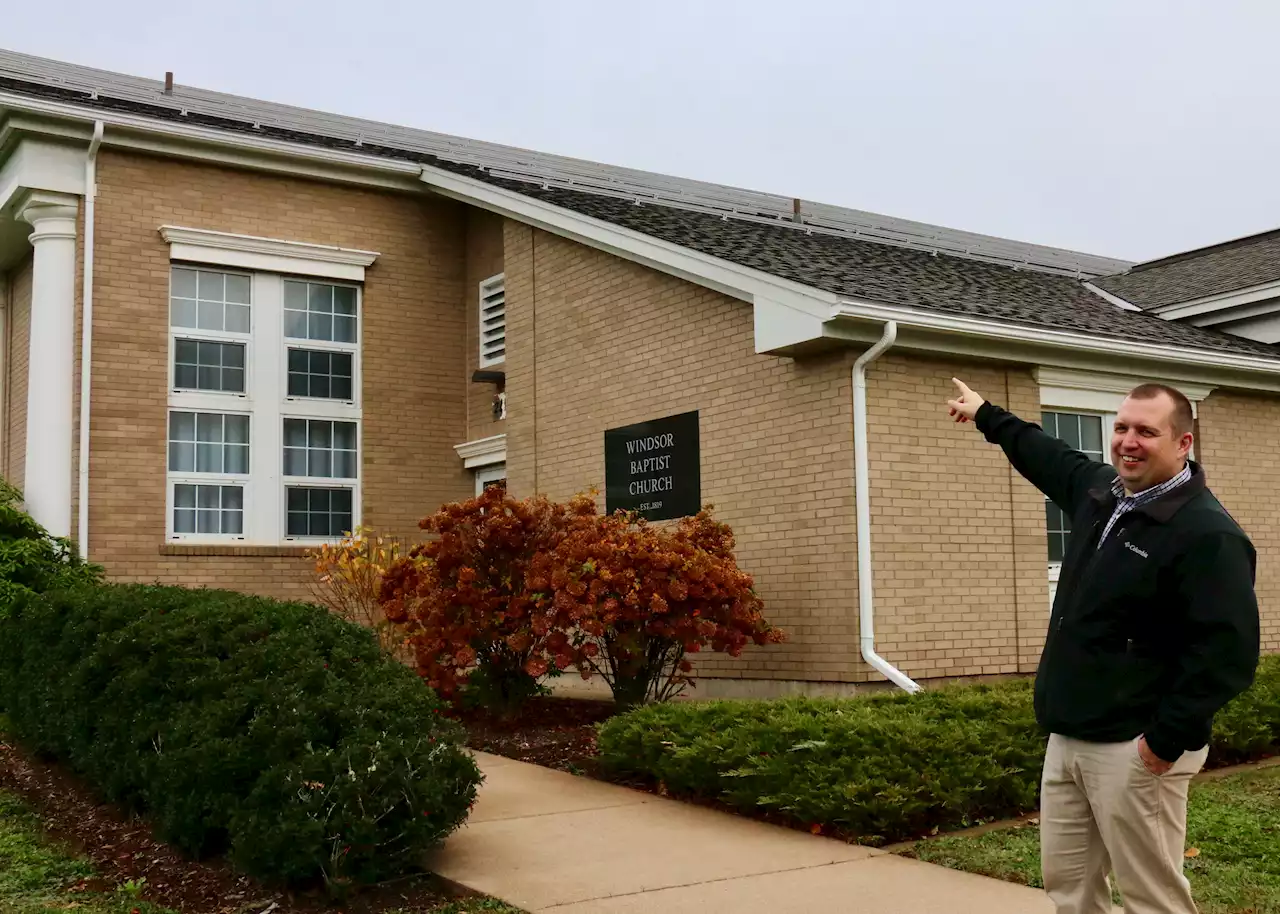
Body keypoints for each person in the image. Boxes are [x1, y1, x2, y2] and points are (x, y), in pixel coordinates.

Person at [945, 378, 1260, 914]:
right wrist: (985, 414)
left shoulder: (1207, 535)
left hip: (1133, 747)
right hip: (1069, 735)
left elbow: (1226, 656)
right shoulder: (1102, 495)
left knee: (1151, 898)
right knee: (1069, 888)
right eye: (1120, 428)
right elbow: (1049, 456)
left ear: (1183, 444)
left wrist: (1162, 743)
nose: (1127, 442)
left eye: (1146, 432)